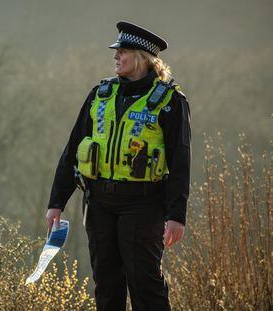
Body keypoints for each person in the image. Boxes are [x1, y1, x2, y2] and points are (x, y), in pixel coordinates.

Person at [45, 21, 191, 311]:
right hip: (98, 203)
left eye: (121, 52)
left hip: (144, 205)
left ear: (141, 57)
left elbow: (180, 161)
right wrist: (56, 202)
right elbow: (72, 149)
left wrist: (177, 215)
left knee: (145, 284)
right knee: (107, 285)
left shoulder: (170, 102)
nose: (115, 56)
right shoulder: (100, 95)